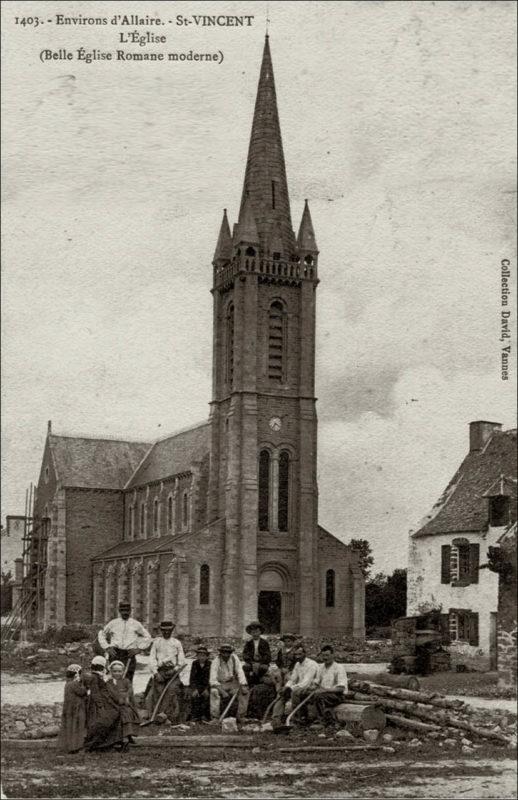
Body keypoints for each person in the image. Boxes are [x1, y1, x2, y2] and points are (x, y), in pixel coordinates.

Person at [98, 601, 151, 683]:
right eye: (123, 610)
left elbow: (148, 637)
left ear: (130, 611)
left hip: (129, 654)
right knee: (113, 678)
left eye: (127, 610)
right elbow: (101, 634)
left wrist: (139, 649)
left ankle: (127, 696)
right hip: (115, 653)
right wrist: (107, 647)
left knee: (128, 679)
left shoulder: (136, 624)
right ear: (119, 611)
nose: (125, 612)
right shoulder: (113, 623)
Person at [145, 620, 186, 724]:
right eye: (164, 630)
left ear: (172, 630)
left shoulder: (176, 643)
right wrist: (155, 673)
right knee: (158, 689)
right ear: (161, 630)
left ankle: (167, 716)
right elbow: (152, 659)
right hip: (160, 672)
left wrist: (174, 670)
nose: (166, 632)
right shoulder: (156, 642)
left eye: (169, 630)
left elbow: (181, 661)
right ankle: (157, 715)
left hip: (173, 673)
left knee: (171, 689)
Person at [83, 656, 125, 752]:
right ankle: (100, 744)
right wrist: (101, 706)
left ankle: (109, 742)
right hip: (97, 704)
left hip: (100, 702)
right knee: (107, 719)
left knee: (114, 714)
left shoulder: (95, 676)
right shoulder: (95, 677)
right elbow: (95, 693)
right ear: (101, 667)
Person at [271, 644, 319, 726]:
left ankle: (297, 719)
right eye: (296, 654)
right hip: (300, 687)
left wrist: (290, 688)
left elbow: (306, 682)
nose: (297, 656)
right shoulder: (297, 664)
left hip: (311, 688)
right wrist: (286, 687)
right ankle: (276, 719)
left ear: (305, 654)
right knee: (282, 693)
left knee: (294, 693)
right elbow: (293, 679)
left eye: (300, 654)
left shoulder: (312, 664)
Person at [209, 643, 249, 721]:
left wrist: (243, 684)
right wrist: (222, 691)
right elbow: (212, 680)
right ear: (220, 652)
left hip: (233, 683)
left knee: (245, 692)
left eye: (228, 652)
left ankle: (241, 716)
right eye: (224, 652)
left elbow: (240, 672)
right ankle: (215, 717)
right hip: (220, 684)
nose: (226, 654)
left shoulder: (234, 658)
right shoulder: (216, 661)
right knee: (214, 692)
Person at [309, 645, 348, 723]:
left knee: (319, 697)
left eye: (327, 655)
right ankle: (303, 718)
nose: (325, 658)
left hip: (337, 695)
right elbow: (316, 682)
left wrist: (324, 690)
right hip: (324, 694)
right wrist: (312, 687)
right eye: (323, 655)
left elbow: (341, 688)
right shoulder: (321, 667)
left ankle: (322, 721)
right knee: (305, 693)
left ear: (333, 655)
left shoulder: (339, 668)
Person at [107, 660, 140, 746]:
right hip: (114, 705)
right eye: (114, 671)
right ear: (111, 672)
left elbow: (130, 690)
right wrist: (119, 698)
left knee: (129, 712)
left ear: (123, 671)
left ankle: (128, 735)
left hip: (125, 703)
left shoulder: (126, 681)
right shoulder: (109, 682)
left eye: (119, 671)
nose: (117, 673)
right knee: (122, 714)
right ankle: (121, 737)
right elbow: (111, 694)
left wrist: (125, 696)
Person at [57, 663, 88, 753]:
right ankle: (75, 746)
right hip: (76, 709)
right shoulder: (74, 684)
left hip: (69, 709)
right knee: (77, 727)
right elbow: (82, 692)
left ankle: (70, 746)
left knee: (70, 727)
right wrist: (85, 686)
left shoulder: (67, 683)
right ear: (77, 674)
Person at [242, 621, 271, 687]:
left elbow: (268, 655)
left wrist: (260, 662)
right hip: (251, 662)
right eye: (253, 632)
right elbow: (245, 654)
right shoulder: (248, 643)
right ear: (250, 633)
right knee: (246, 667)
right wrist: (252, 662)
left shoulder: (264, 643)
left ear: (260, 632)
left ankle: (259, 682)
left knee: (263, 668)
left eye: (257, 631)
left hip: (262, 662)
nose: (255, 634)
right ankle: (249, 683)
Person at [188, 645, 211, 722]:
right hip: (197, 686)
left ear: (207, 656)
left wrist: (206, 689)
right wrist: (195, 689)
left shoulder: (210, 664)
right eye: (200, 655)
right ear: (197, 656)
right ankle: (194, 716)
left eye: (204, 655)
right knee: (193, 695)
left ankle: (204, 716)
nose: (202, 657)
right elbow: (192, 678)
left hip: (206, 686)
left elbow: (211, 678)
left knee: (207, 696)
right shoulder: (194, 663)